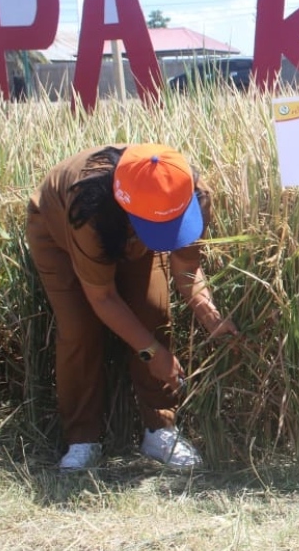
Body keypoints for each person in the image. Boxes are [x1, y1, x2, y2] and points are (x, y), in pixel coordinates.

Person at [26, 144, 238, 471]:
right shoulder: (88, 208)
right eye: (161, 228)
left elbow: (186, 269)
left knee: (153, 313)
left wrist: (212, 318)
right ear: (129, 210)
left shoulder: (191, 192)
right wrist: (152, 353)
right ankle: (83, 439)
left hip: (130, 226)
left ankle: (160, 430)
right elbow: (103, 297)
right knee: (79, 330)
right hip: (59, 235)